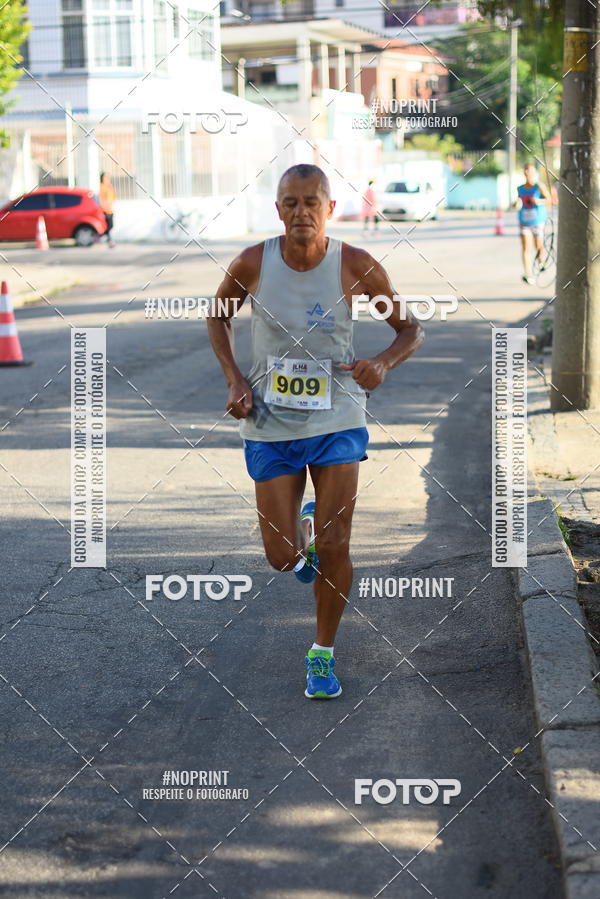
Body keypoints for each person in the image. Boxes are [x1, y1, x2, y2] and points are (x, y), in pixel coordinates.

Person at [207, 163, 424, 700]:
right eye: (291, 202)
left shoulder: (355, 265)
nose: (301, 211)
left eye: (311, 202)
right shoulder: (252, 263)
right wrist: (234, 378)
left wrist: (383, 362)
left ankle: (322, 653)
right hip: (270, 420)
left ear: (330, 209)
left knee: (336, 541)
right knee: (282, 557)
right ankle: (301, 534)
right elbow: (217, 316)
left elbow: (409, 328)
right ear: (278, 209)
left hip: (337, 417)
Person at [516, 163, 550, 284]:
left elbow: (549, 200)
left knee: (538, 246)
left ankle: (541, 261)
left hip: (537, 221)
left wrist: (538, 201)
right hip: (524, 221)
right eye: (526, 171)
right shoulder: (520, 188)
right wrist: (516, 204)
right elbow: (517, 201)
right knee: (526, 247)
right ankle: (528, 274)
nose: (528, 174)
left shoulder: (539, 186)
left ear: (534, 173)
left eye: (530, 172)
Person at [99, 172, 116, 248]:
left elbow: (113, 197)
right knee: (107, 226)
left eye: (108, 177)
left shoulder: (109, 186)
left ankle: (103, 238)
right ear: (102, 178)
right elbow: (100, 198)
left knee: (111, 225)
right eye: (105, 177)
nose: (107, 179)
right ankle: (110, 241)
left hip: (110, 209)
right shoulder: (101, 187)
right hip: (104, 210)